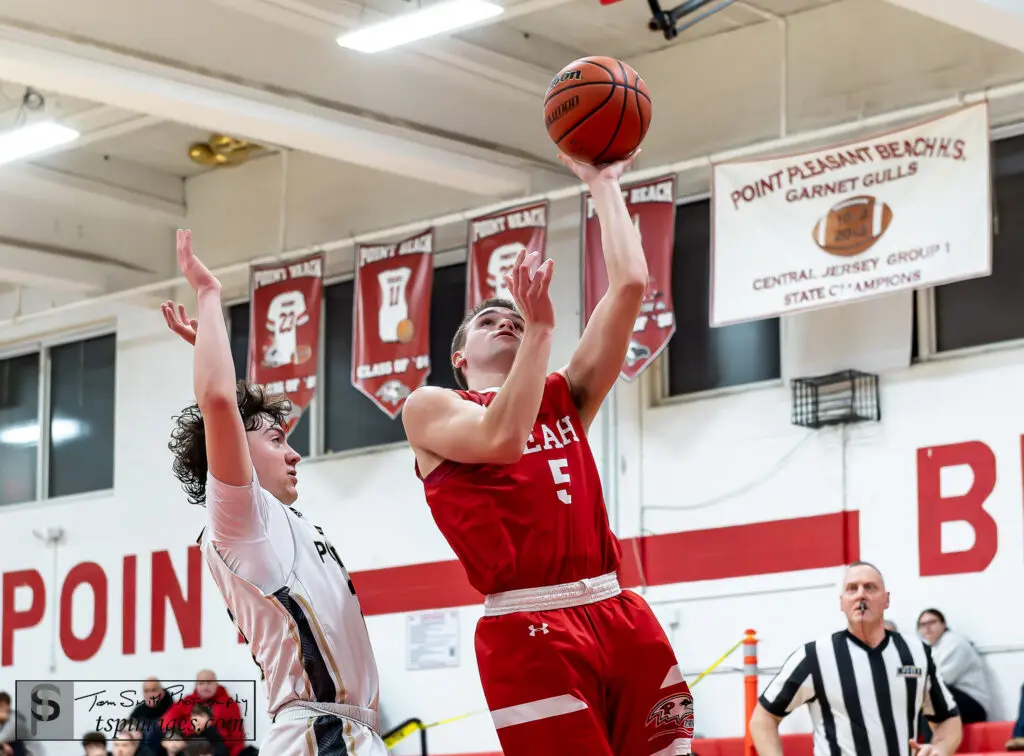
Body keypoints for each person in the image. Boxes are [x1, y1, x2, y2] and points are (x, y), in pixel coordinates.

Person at [403, 153, 694, 756]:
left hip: (616, 605)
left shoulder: (563, 397)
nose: (506, 321)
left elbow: (631, 286)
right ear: (460, 356)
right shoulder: (431, 407)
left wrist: (603, 183)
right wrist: (536, 330)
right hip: (528, 625)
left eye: (514, 316)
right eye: (490, 320)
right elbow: (499, 439)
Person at [164, 229, 386, 755]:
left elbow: (227, 402)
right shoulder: (241, 520)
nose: (294, 454)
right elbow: (218, 401)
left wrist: (213, 358)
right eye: (277, 439)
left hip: (349, 732)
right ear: (235, 449)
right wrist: (211, 294)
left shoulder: (281, 522)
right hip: (320, 732)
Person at [749, 561, 963, 756]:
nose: (861, 595)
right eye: (852, 588)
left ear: (886, 600)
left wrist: (940, 749)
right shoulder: (814, 656)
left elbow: (948, 719)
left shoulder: (917, 653)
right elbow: (763, 718)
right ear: (842, 602)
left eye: (870, 587)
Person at [916, 608, 991, 725]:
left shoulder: (954, 643)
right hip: (954, 700)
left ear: (943, 624)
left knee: (928, 696)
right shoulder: (930, 647)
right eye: (923, 624)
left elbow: (943, 679)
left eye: (932, 622)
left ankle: (932, 742)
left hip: (973, 704)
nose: (927, 627)